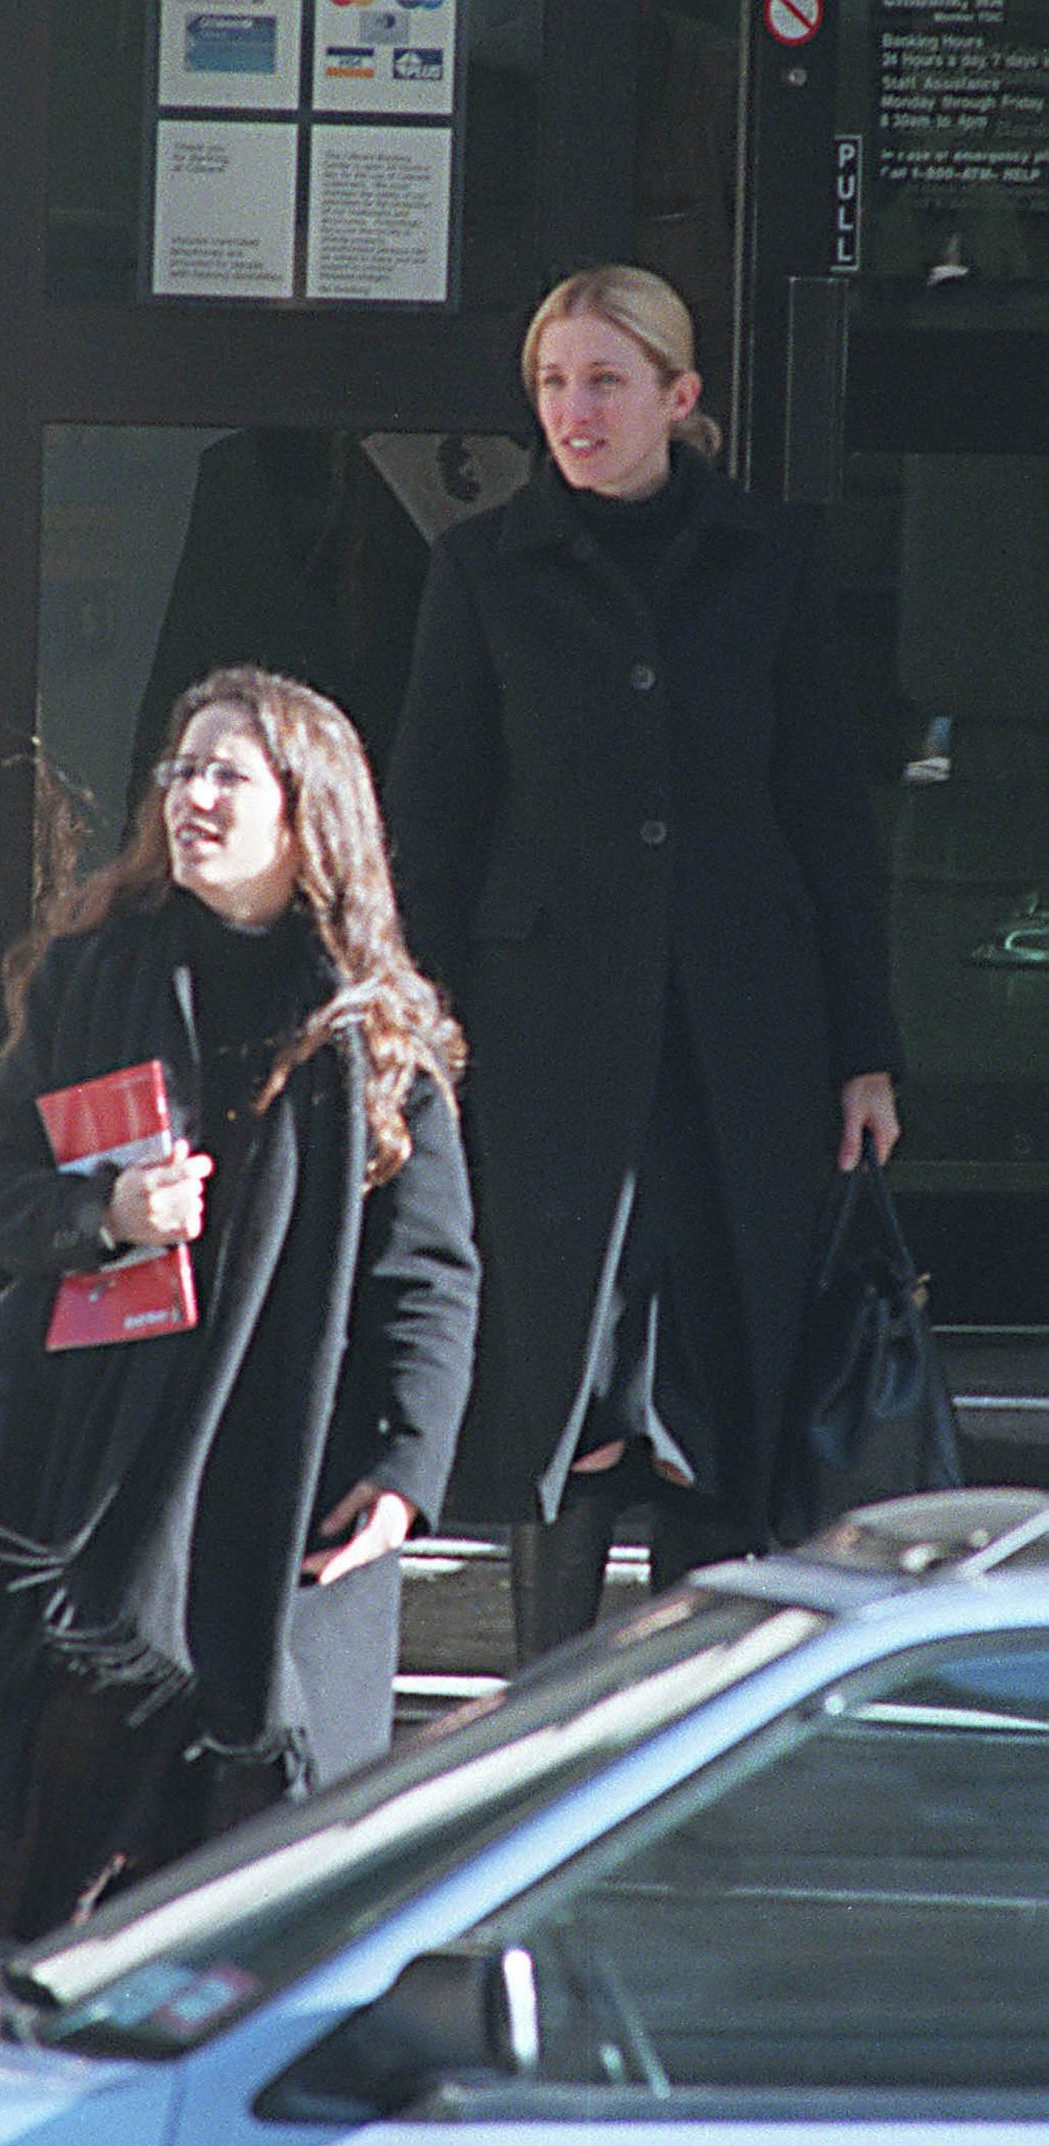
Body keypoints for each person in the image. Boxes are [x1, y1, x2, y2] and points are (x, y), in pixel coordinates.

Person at [0, 666, 479, 2003]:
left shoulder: (371, 1022)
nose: (192, 797)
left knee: (274, 1881)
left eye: (229, 773)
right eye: (182, 770)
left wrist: (408, 1471)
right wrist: (106, 1210)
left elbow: (430, 1271)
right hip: (109, 1495)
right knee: (39, 1868)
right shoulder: (97, 974)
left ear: (308, 815)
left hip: (291, 1496)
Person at [384, 265, 904, 1660]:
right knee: (564, 1377)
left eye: (604, 382)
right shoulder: (480, 568)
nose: (573, 411)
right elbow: (430, 826)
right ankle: (544, 1704)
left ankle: (688, 1713)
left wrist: (865, 1047)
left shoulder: (770, 563)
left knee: (715, 1383)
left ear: (679, 397)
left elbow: (826, 814)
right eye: (553, 382)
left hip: (743, 1033)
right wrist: (411, 1038)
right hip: (543, 1038)